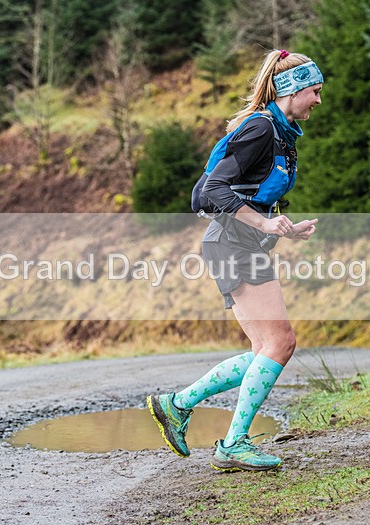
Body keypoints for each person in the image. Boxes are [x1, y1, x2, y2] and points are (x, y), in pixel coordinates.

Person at [147, 49, 323, 472]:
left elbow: (247, 194)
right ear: (292, 90)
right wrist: (263, 225)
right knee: (280, 343)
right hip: (232, 244)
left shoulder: (280, 133)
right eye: (315, 91)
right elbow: (212, 191)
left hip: (237, 243)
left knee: (264, 348)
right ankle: (233, 443)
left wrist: (281, 227)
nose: (319, 100)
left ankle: (177, 405)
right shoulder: (262, 128)